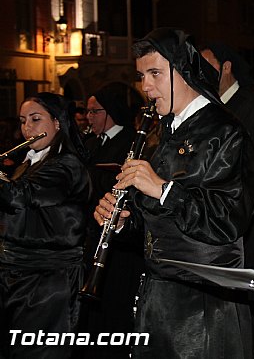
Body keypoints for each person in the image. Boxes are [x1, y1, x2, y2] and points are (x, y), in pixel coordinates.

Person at [94, 28, 254, 358]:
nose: (145, 87)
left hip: (204, 304)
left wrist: (162, 189)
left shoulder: (225, 131)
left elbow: (229, 221)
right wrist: (125, 222)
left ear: (182, 69)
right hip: (158, 296)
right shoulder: (164, 132)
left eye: (154, 73)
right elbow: (158, 223)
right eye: (141, 76)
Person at [0, 92, 91, 358]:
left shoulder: (66, 166)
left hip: (49, 284)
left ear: (58, 123)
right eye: (23, 120)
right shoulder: (28, 162)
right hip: (18, 277)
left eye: (36, 119)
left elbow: (20, 196)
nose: (28, 127)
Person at [200, 42, 254, 353]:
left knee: (249, 295)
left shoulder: (251, 107)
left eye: (207, 65)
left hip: (245, 220)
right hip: (217, 221)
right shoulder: (211, 107)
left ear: (226, 67)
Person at [78, 83, 145, 359]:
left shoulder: (131, 141)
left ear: (112, 112)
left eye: (95, 111)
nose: (89, 117)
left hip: (120, 243)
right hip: (91, 235)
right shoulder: (90, 143)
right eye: (87, 111)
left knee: (115, 307)